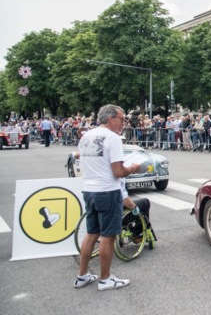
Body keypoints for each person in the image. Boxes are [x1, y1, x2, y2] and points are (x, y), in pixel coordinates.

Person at [75, 104, 140, 291]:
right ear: (111, 118)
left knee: (91, 234)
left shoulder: (87, 136)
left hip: (89, 190)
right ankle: (105, 278)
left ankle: (82, 275)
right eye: (122, 119)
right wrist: (134, 168)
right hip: (107, 190)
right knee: (107, 236)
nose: (124, 123)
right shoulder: (112, 138)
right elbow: (118, 171)